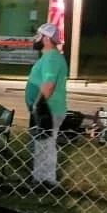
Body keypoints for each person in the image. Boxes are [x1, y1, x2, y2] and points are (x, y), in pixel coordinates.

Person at [26, 22, 69, 187]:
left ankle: (47, 181)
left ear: (46, 38)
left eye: (39, 35)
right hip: (45, 109)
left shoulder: (51, 58)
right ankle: (39, 178)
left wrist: (37, 105)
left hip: (48, 110)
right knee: (41, 145)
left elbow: (49, 85)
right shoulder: (49, 57)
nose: (35, 38)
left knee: (45, 145)